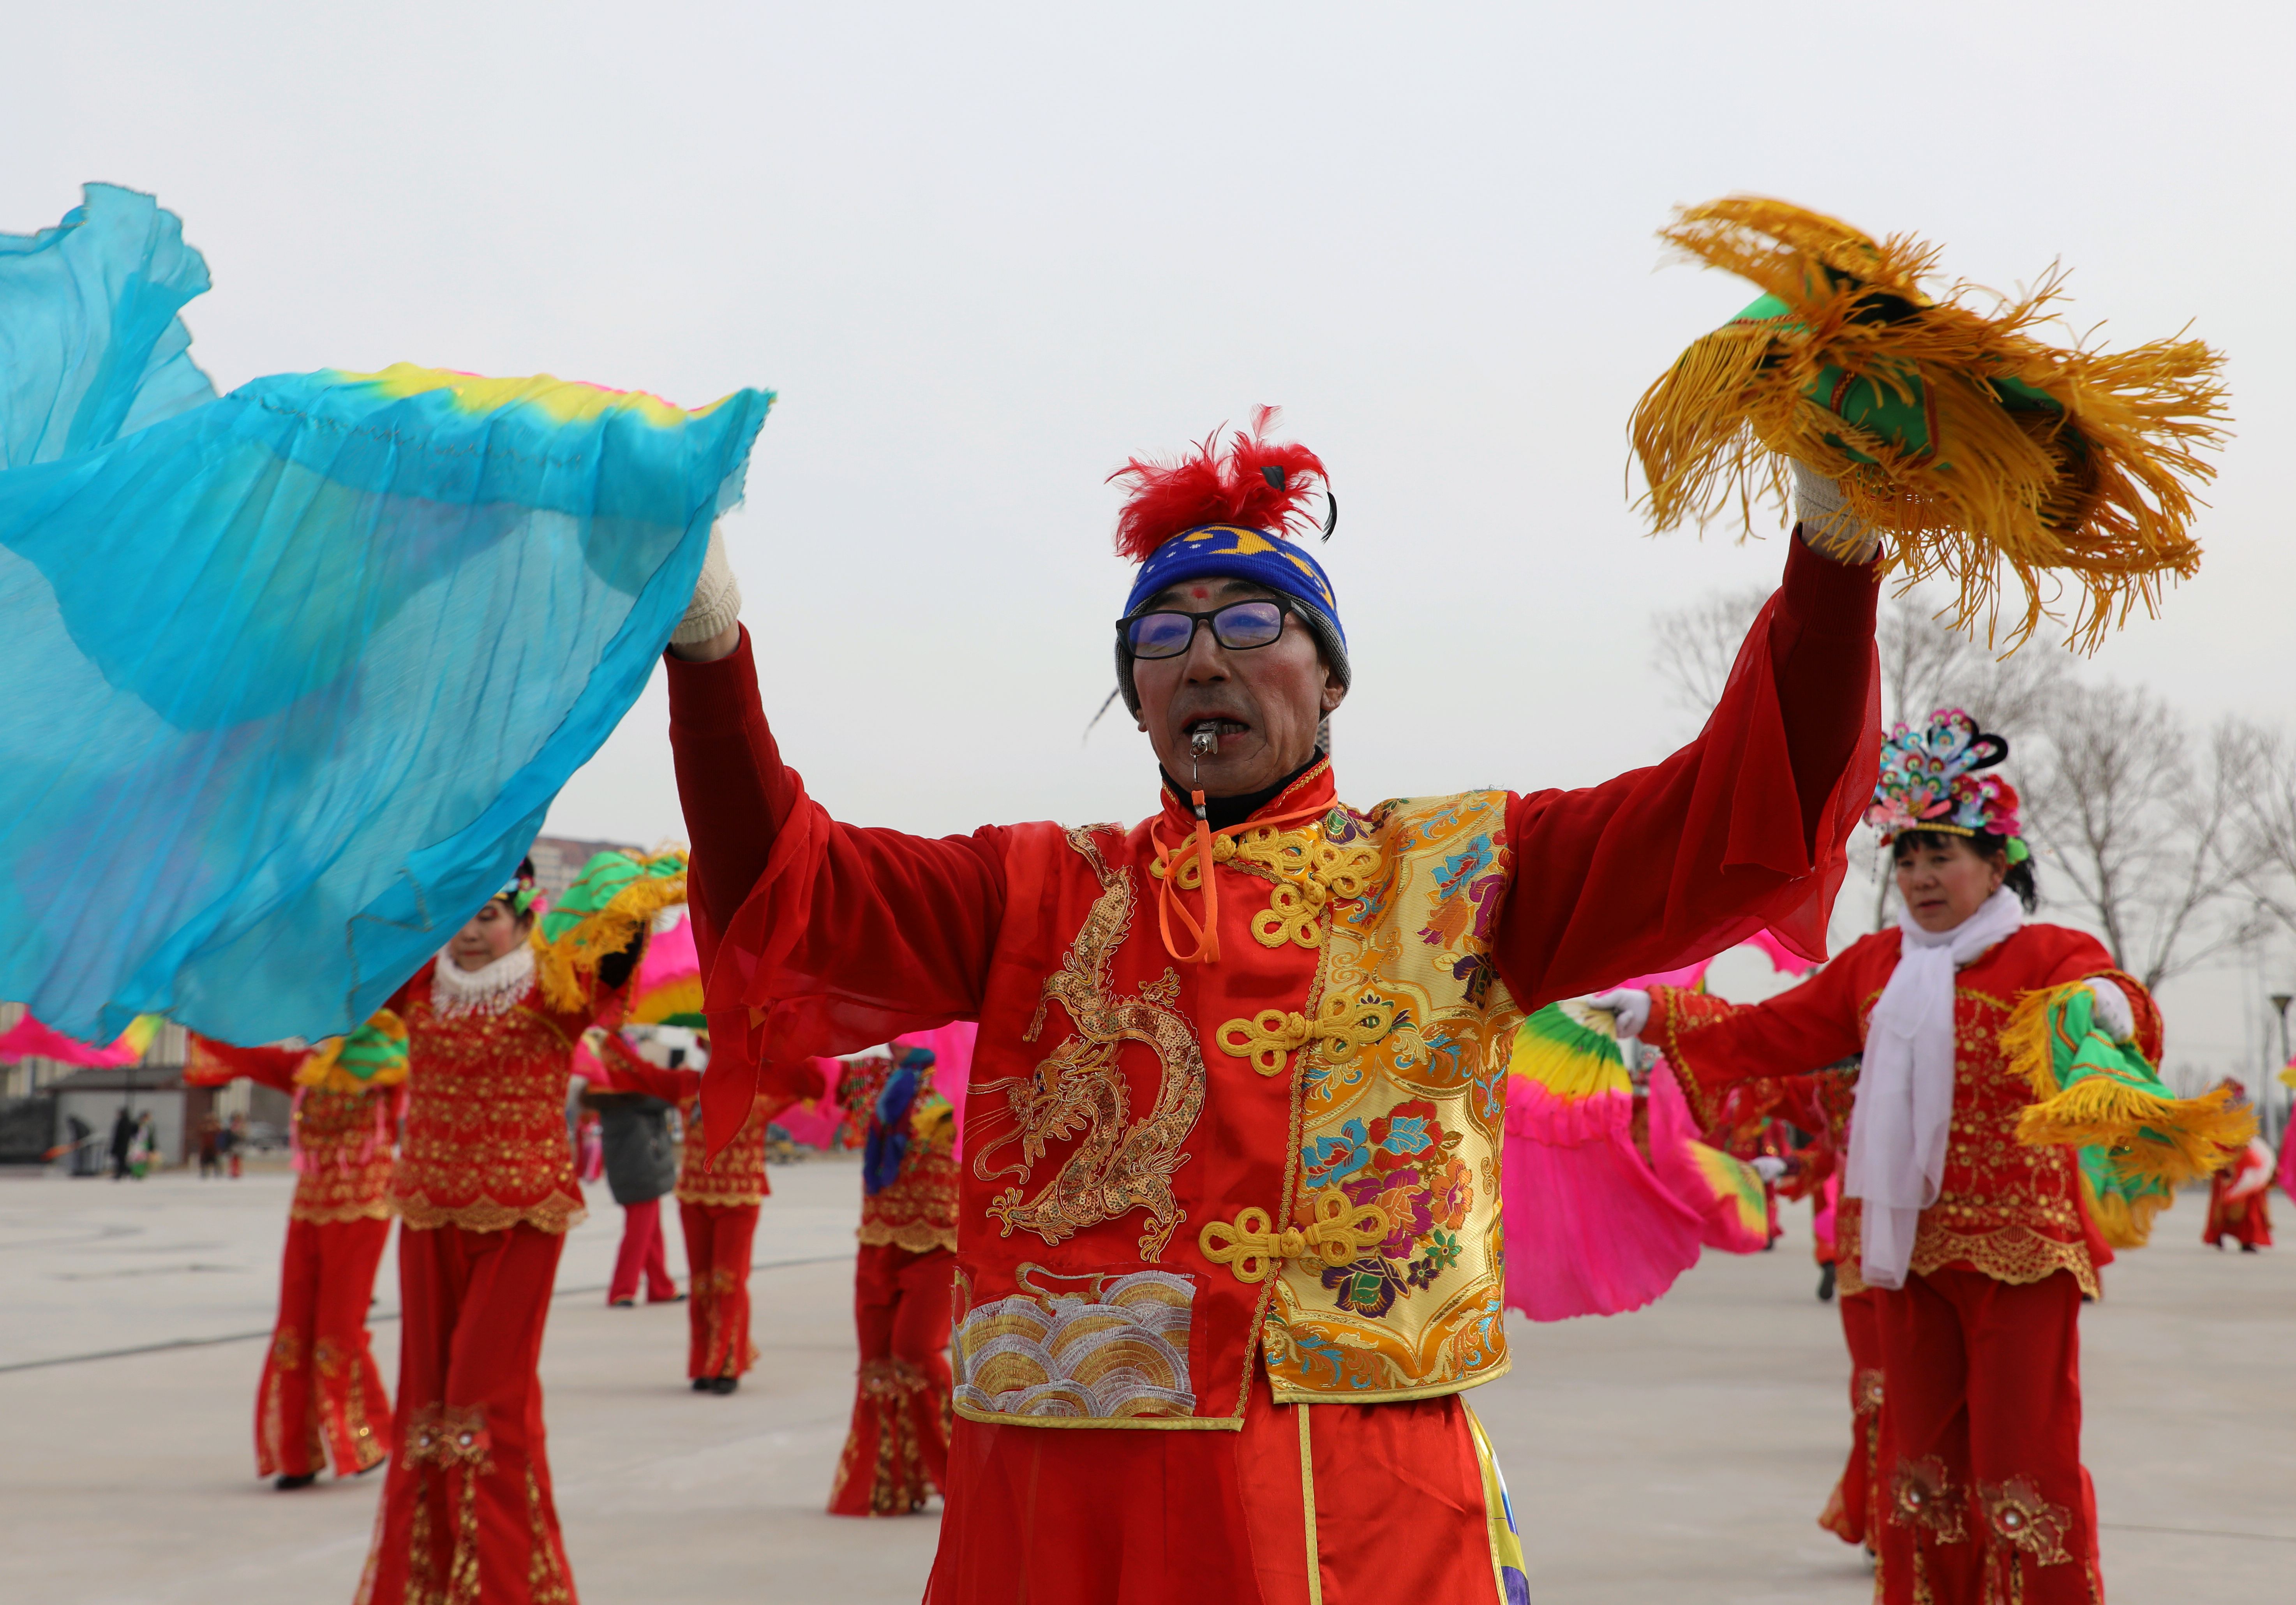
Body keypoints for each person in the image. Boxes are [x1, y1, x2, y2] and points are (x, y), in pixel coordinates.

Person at [661, 412, 1885, 1602]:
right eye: (1160, 635)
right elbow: (786, 886)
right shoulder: (1029, 888)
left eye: (1251, 623)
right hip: (1056, 1485)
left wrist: (1832, 551)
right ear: (1134, 693)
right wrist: (707, 646)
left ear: (1330, 673)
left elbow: (1737, 809)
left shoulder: (1464, 873)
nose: (1202, 658)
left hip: (1349, 1488)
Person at [1601, 709, 2251, 1605]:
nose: (1919, 877)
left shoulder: (2045, 953)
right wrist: (1659, 1014)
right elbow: (1770, 1032)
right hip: (1903, 1252)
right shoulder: (1876, 966)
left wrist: (2105, 1001)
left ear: (1997, 862)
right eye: (1905, 857)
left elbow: (2122, 1013)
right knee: (1923, 1470)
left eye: (1941, 854)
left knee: (2025, 1460)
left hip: (2019, 1252)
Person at [358, 850, 680, 1605]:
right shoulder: (419, 989)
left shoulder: (551, 987)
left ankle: (503, 1585)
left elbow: (611, 967)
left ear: (522, 915)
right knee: (427, 1406)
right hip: (428, 1212)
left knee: (481, 1401)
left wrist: (628, 911)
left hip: (520, 1220)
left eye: (488, 914)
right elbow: (364, 935)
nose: (470, 932)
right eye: (462, 915)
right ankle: (425, 1582)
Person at [189, 1018, 406, 1489]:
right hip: (309, 1207)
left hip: (363, 1207)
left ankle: (363, 1439)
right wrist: (189, 1004)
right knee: (294, 1326)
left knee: (338, 1325)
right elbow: (240, 1049)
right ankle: (296, 1454)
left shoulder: (393, 1060)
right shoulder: (306, 1067)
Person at [592, 1033, 806, 1395]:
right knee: (702, 1282)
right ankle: (704, 1363)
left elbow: (809, 1080)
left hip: (739, 1198)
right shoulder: (690, 1083)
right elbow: (639, 1073)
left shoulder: (762, 1082)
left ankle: (726, 1365)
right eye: (709, 1042)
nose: (714, 1048)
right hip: (694, 1196)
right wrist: (608, 1036)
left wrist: (777, 1040)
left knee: (728, 1281)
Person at [828, 1044, 959, 1515]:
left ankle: (960, 1474)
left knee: (914, 1354)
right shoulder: (863, 1076)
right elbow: (802, 1075)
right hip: (878, 1239)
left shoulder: (962, 1071)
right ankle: (887, 1483)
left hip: (939, 1240)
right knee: (877, 1365)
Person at [586, 1077, 682, 1308]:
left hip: (632, 1169)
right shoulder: (632, 1096)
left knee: (650, 1232)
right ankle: (623, 1289)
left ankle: (661, 1287)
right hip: (642, 1169)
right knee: (640, 1233)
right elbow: (666, 1099)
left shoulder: (610, 1096)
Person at [2202, 1092, 2273, 1251]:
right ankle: (2218, 1235)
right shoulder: (2217, 1127)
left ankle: (2248, 1240)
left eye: (2234, 1104)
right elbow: (2213, 1149)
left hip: (2246, 1173)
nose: (2231, 1107)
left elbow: (2254, 1148)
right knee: (2223, 1208)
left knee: (2251, 1208)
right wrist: (2223, 1167)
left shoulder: (2244, 1125)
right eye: (2227, 1104)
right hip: (2227, 1174)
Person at [108, 1105, 134, 1181]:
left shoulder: (122, 1122)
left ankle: (123, 1173)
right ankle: (126, 1172)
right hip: (124, 1145)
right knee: (122, 1160)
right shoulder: (129, 1122)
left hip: (120, 1145)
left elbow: (119, 1135)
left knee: (121, 1160)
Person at [198, 1111, 223, 1179]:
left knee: (216, 1161)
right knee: (204, 1161)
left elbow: (220, 1132)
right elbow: (199, 1132)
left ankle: (218, 1173)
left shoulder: (215, 1125)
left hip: (214, 1147)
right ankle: (204, 1173)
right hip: (206, 1147)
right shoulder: (203, 1125)